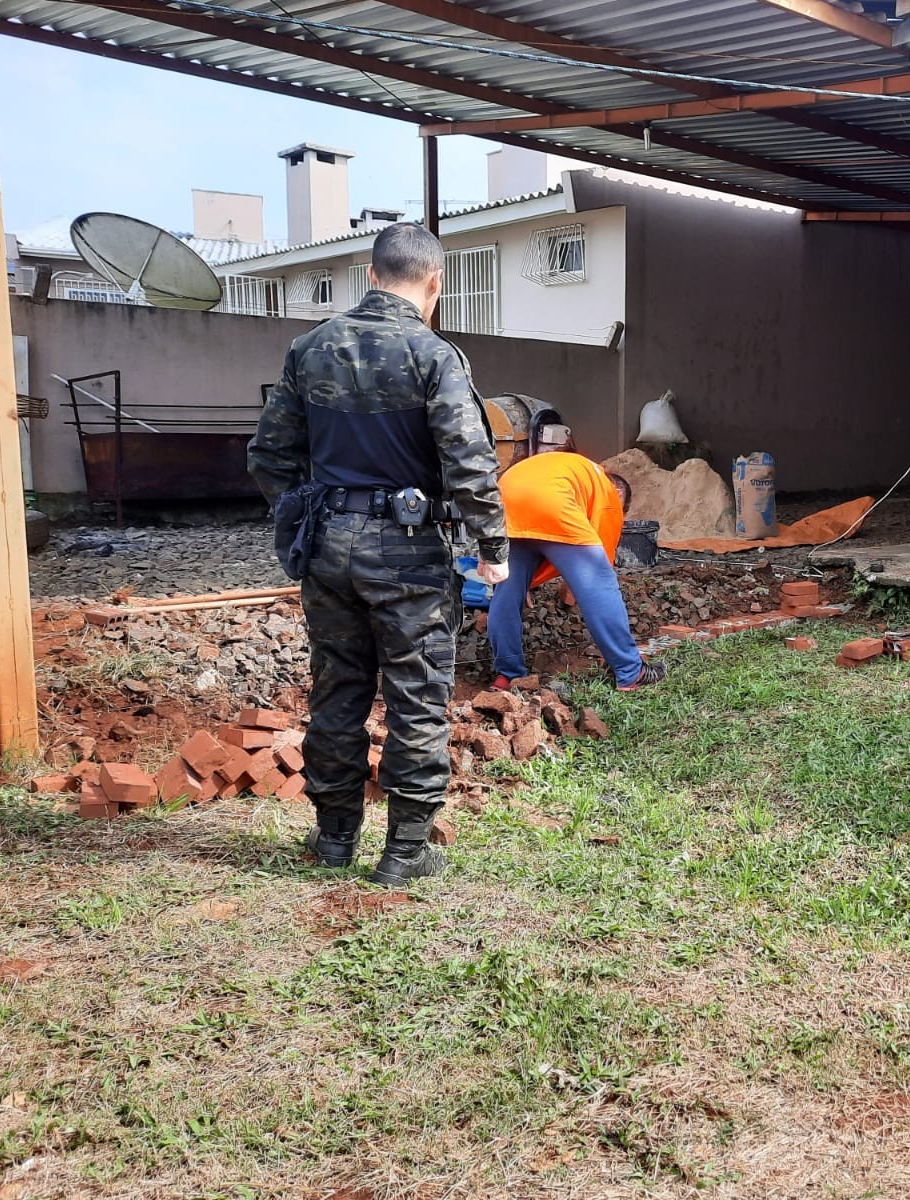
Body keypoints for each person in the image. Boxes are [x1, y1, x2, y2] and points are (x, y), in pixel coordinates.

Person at [248, 222, 510, 887]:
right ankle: (406, 851)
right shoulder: (435, 356)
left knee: (338, 688)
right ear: (435, 282)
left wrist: (309, 513)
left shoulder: (309, 348)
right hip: (408, 554)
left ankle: (334, 839)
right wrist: (493, 548)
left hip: (328, 550)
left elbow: (268, 456)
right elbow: (471, 463)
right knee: (417, 696)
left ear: (370, 275)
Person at [487, 430, 666, 692]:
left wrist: (528, 583)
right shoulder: (607, 491)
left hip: (505, 497)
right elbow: (600, 565)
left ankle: (508, 675)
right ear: (619, 494)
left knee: (506, 590)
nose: (618, 514)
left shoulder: (571, 468)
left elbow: (540, 541)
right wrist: (579, 583)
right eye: (621, 510)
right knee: (601, 583)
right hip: (550, 501)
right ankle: (631, 671)